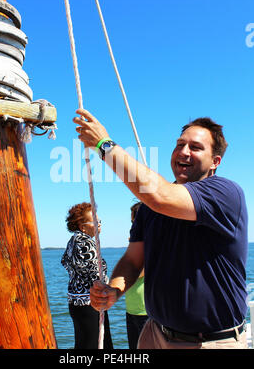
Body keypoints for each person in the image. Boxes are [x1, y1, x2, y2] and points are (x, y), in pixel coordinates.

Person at [73, 109, 248, 349]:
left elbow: (160, 195)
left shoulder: (226, 193)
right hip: (155, 334)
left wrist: (104, 145)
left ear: (215, 162)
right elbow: (134, 261)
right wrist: (114, 290)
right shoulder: (148, 208)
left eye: (196, 147)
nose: (184, 152)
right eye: (179, 144)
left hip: (210, 342)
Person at [61, 202, 113, 349]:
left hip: (76, 303)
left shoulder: (73, 241)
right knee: (96, 345)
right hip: (90, 304)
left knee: (84, 344)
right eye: (95, 221)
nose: (99, 224)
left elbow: (65, 262)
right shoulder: (84, 243)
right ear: (83, 226)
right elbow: (96, 274)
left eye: (100, 220)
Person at [125, 202, 148, 349]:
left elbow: (139, 272)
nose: (133, 226)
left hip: (146, 311)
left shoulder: (152, 242)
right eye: (133, 222)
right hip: (132, 309)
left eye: (136, 221)